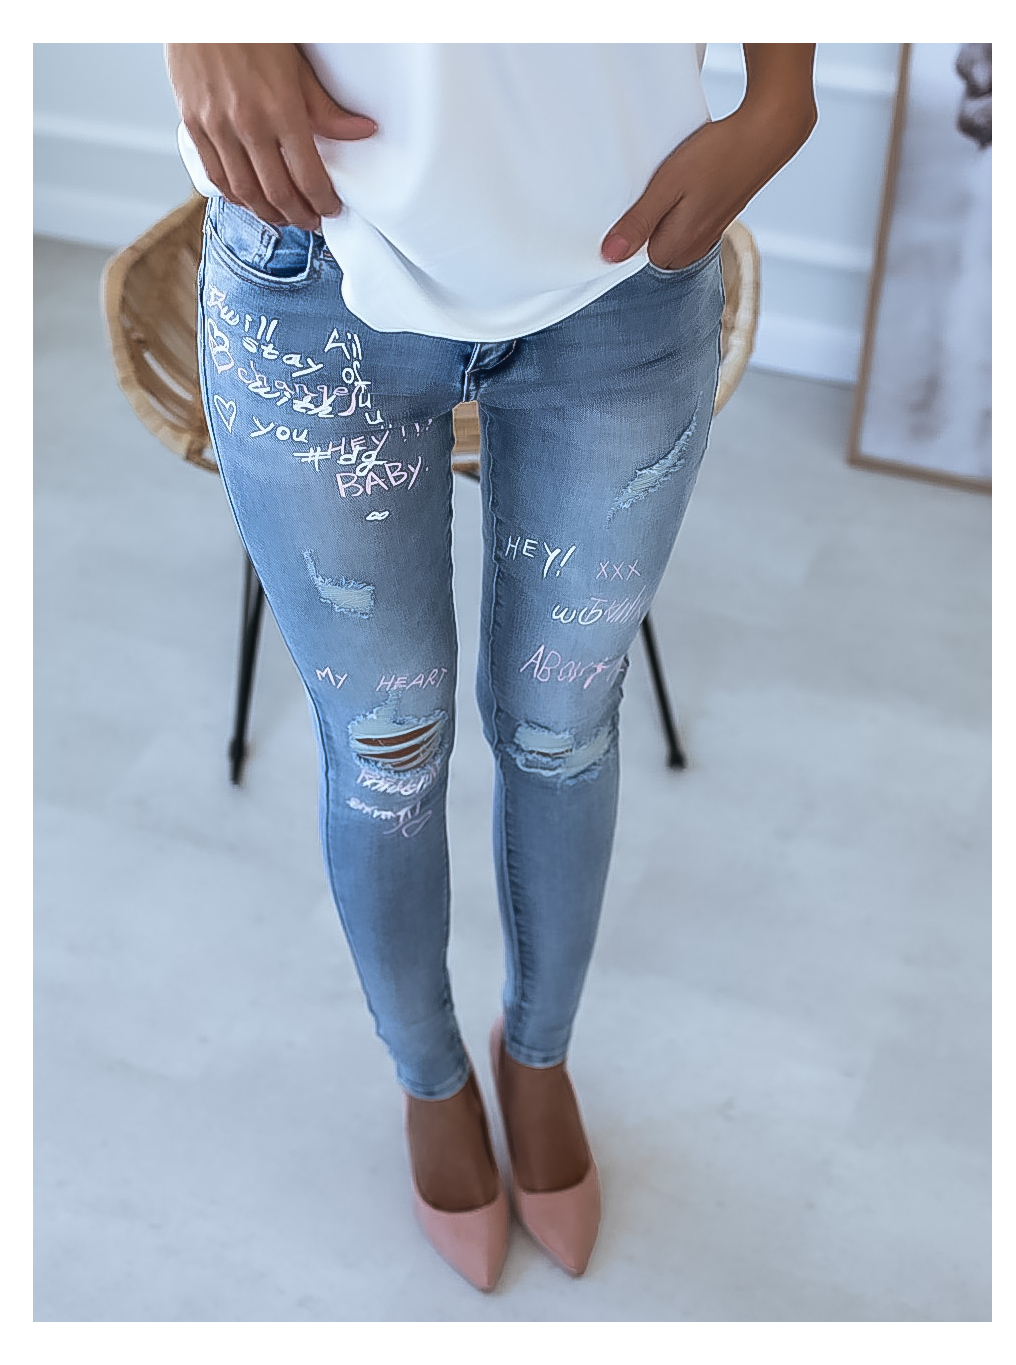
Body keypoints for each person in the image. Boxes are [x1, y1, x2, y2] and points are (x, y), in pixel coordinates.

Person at [166, 41, 817, 1292]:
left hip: (623, 263)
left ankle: (540, 1056)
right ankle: (429, 1077)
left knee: (564, 728)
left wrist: (783, 92)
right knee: (385, 755)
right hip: (315, 257)